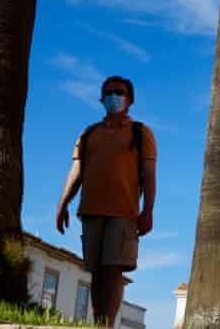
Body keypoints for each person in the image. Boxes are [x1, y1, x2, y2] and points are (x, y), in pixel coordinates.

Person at [56, 76, 157, 327]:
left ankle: (106, 324)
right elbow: (76, 172)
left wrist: (148, 211)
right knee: (97, 271)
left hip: (124, 212)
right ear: (102, 99)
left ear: (130, 100)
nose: (114, 96)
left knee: (113, 270)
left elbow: (150, 175)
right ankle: (98, 322)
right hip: (90, 210)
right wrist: (62, 204)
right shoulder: (89, 134)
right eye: (109, 92)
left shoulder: (140, 132)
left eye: (119, 92)